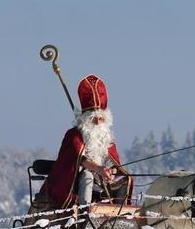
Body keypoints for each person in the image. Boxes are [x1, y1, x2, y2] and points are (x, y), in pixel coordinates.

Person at [38, 74, 133, 209]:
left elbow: (113, 161)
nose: (98, 122)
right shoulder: (74, 135)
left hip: (100, 176)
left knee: (125, 179)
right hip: (74, 178)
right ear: (86, 118)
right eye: (94, 119)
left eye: (101, 119)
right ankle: (85, 214)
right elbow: (78, 160)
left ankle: (119, 214)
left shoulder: (106, 135)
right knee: (87, 176)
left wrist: (111, 172)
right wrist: (99, 169)